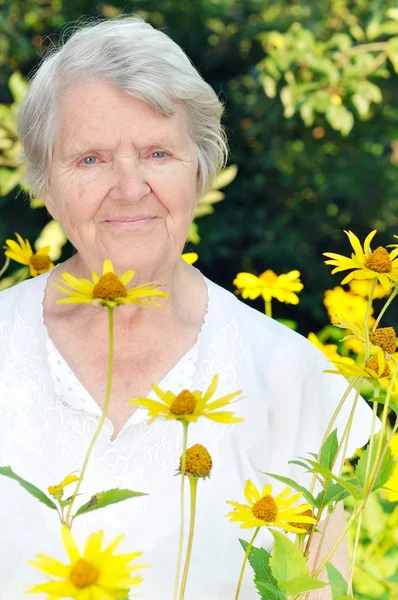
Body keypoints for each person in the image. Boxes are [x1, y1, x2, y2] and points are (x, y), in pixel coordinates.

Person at [0, 17, 374, 600]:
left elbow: (320, 588)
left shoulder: (290, 376)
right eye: (91, 160)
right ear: (45, 182)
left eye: (157, 153)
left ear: (200, 168)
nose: (129, 188)